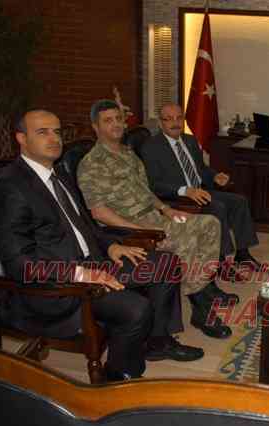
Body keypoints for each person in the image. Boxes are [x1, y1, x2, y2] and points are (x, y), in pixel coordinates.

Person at [0, 109, 204, 381]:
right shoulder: (10, 187)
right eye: (42, 132)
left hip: (92, 262)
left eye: (57, 131)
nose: (54, 139)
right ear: (21, 138)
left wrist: (111, 246)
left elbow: (85, 227)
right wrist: (82, 274)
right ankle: (117, 377)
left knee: (167, 264)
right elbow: (19, 264)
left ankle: (157, 341)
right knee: (135, 308)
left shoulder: (57, 175)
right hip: (57, 285)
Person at [77, 100, 233, 339]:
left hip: (154, 217)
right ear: (95, 127)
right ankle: (201, 308)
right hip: (130, 230)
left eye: (118, 119)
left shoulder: (128, 153)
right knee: (188, 239)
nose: (116, 124)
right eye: (108, 121)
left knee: (209, 223)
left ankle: (198, 288)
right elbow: (99, 212)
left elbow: (146, 191)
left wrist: (167, 210)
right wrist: (138, 229)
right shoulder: (91, 164)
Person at [140, 103, 260, 268]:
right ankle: (221, 260)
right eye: (169, 119)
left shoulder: (189, 140)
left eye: (179, 118)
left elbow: (201, 169)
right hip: (178, 197)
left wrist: (215, 176)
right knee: (217, 207)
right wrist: (186, 191)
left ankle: (243, 253)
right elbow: (154, 185)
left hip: (200, 191)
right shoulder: (151, 147)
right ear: (160, 123)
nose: (175, 123)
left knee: (239, 201)